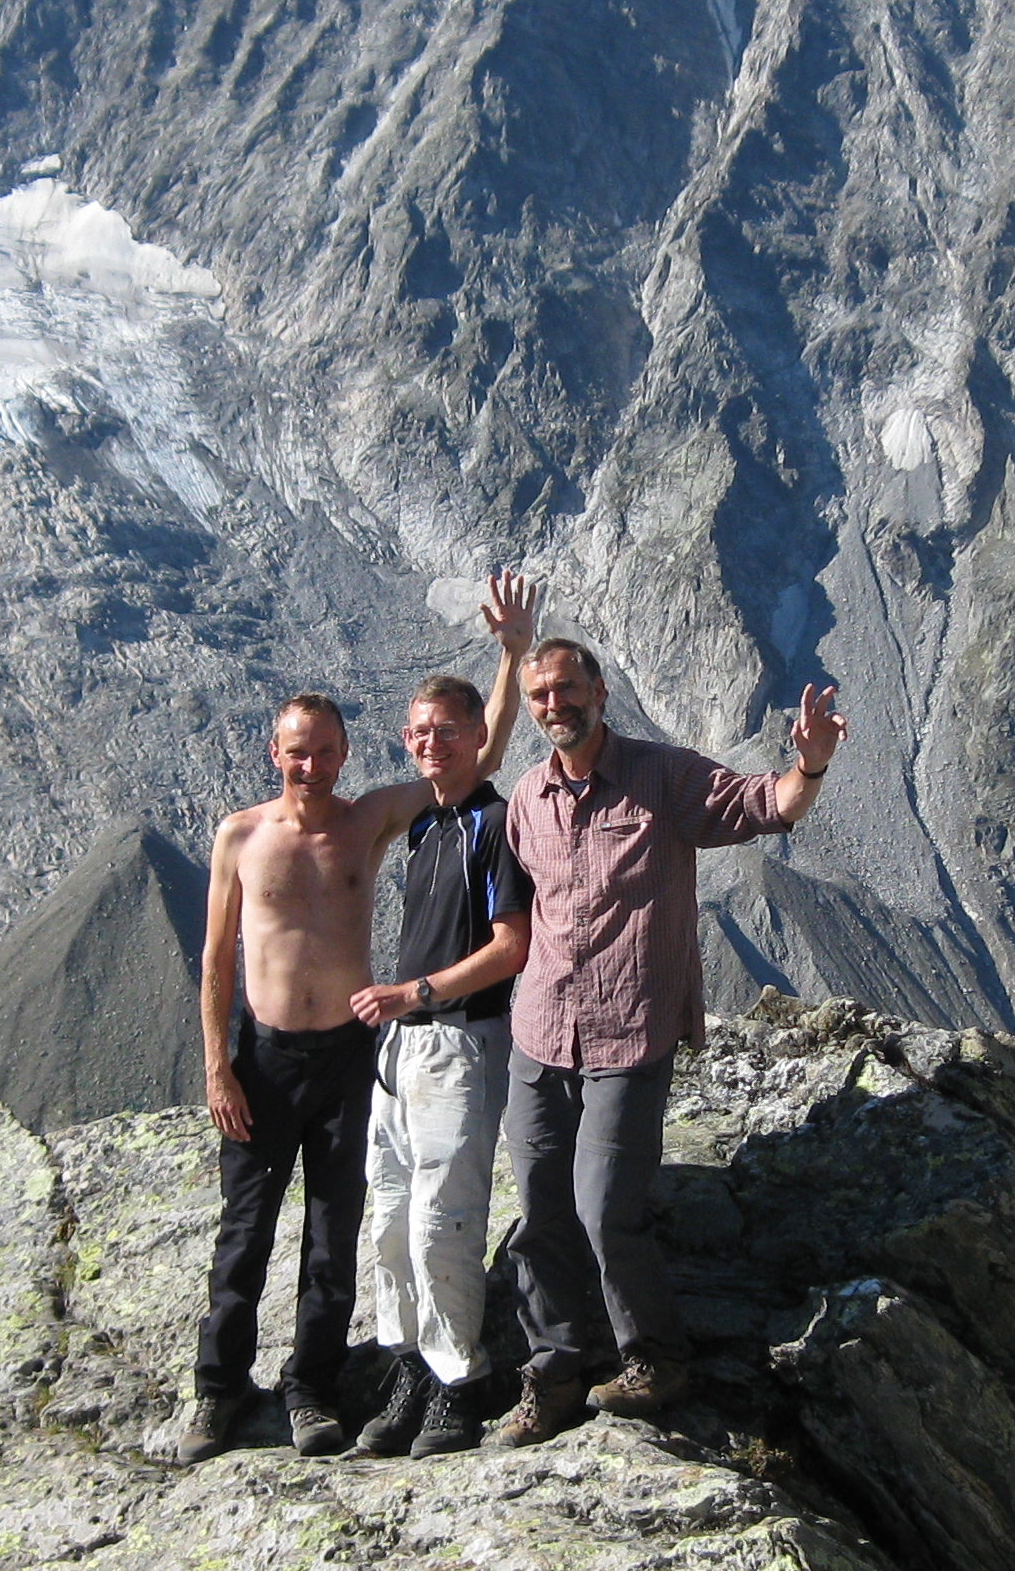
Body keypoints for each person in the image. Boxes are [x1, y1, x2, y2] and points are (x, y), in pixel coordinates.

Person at [166, 576, 534, 1467]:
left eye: (326, 751)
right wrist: (217, 1066)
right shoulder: (240, 838)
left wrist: (513, 656)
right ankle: (218, 1393)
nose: (312, 765)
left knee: (337, 1237)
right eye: (299, 752)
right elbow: (217, 962)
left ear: (343, 753)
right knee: (244, 1233)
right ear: (275, 751)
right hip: (262, 1058)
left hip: (347, 1057)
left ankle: (311, 1391)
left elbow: (474, 761)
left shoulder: (370, 820)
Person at [486, 637, 846, 1444]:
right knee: (541, 1215)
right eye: (540, 695)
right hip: (541, 1033)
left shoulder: (663, 776)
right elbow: (522, 911)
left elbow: (763, 805)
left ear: (600, 691)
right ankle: (555, 1370)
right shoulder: (527, 798)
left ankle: (655, 1356)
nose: (553, 705)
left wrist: (811, 767)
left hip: (628, 1031)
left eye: (567, 690)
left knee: (605, 1206)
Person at [341, 673, 535, 1457]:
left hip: (459, 1040)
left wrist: (415, 992)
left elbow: (511, 946)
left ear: (475, 737)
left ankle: (459, 1379)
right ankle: (410, 1366)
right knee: (388, 1218)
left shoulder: (493, 824)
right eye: (419, 732)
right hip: (404, 1046)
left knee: (438, 1219)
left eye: (446, 731)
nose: (431, 743)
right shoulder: (427, 823)